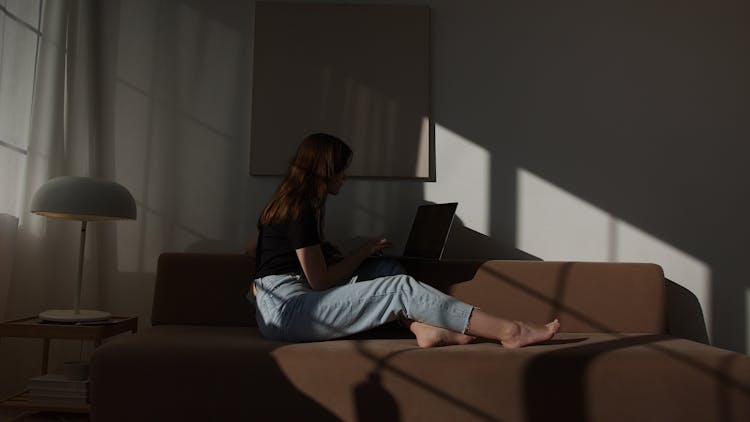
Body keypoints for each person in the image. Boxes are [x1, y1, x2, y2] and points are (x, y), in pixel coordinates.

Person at [247, 133, 559, 348]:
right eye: (341, 169)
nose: (345, 176)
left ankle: (423, 329)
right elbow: (320, 281)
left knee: (384, 269)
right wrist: (360, 251)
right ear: (326, 170)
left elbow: (254, 249)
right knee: (399, 287)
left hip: (282, 302)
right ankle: (511, 331)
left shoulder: (284, 203)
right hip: (288, 311)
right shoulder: (300, 208)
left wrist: (310, 254)